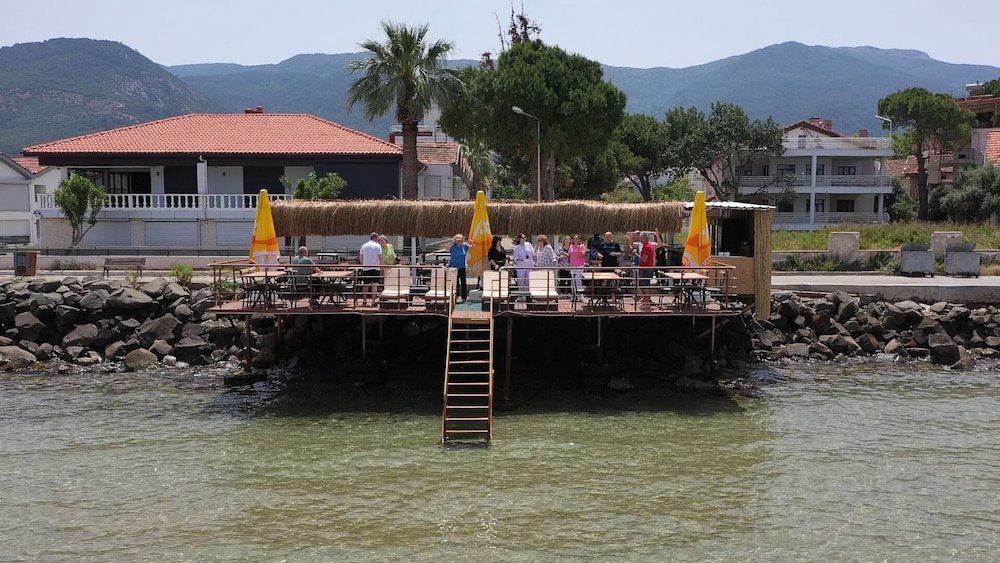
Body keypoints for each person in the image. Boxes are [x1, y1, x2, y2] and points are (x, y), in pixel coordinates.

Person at [358, 232, 383, 306]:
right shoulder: (377, 246)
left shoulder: (364, 246)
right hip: (375, 268)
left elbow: (361, 257)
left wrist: (363, 265)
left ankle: (364, 300)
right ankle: (373, 301)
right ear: (376, 238)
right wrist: (381, 267)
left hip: (366, 268)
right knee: (374, 285)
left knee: (365, 285)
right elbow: (380, 257)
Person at [447, 233, 473, 303]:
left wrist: (471, 243)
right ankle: (456, 296)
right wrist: (451, 242)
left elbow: (473, 247)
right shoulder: (453, 246)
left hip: (462, 266)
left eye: (461, 240)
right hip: (453, 266)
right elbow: (447, 248)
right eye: (459, 240)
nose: (460, 242)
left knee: (463, 281)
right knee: (455, 282)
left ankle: (464, 297)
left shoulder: (464, 246)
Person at [637, 232, 656, 304]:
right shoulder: (647, 246)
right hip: (644, 267)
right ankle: (645, 298)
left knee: (645, 284)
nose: (640, 240)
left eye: (642, 238)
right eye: (640, 238)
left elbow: (644, 259)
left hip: (646, 268)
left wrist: (636, 254)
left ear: (646, 238)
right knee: (641, 284)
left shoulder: (647, 247)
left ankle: (647, 301)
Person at [568, 234, 588, 302]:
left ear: (579, 239)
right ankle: (573, 295)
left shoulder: (582, 246)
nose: (575, 240)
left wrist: (579, 249)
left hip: (580, 265)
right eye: (574, 238)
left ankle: (580, 295)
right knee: (573, 280)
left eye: (577, 238)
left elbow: (583, 255)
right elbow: (570, 255)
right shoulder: (571, 246)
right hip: (572, 265)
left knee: (578, 279)